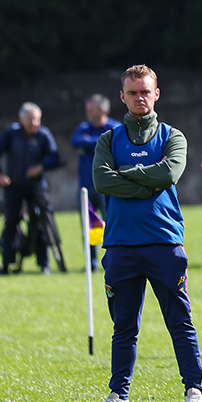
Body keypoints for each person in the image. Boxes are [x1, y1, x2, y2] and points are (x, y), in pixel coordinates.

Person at [91, 64, 202, 402]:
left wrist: (126, 175)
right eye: (133, 92)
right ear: (122, 97)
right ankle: (118, 395)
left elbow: (169, 173)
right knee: (123, 326)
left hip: (164, 243)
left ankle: (194, 389)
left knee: (179, 320)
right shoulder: (109, 139)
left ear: (156, 94)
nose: (139, 97)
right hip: (121, 245)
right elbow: (102, 182)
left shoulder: (173, 136)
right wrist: (147, 180)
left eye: (145, 91)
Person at [0, 102, 62, 275]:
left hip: (36, 185)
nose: (34, 123)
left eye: (37, 119)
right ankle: (6, 264)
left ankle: (44, 264)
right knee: (11, 221)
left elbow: (55, 157)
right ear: (21, 120)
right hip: (14, 185)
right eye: (30, 119)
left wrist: (41, 167)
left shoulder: (44, 135)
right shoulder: (12, 134)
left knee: (41, 221)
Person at [71, 94, 120, 270]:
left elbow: (116, 144)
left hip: (108, 187)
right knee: (87, 225)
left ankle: (114, 259)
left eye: (91, 109)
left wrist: (90, 142)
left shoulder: (115, 128)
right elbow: (75, 141)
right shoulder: (83, 128)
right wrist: (101, 141)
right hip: (85, 186)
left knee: (112, 223)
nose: (87, 112)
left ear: (103, 110)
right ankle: (91, 262)